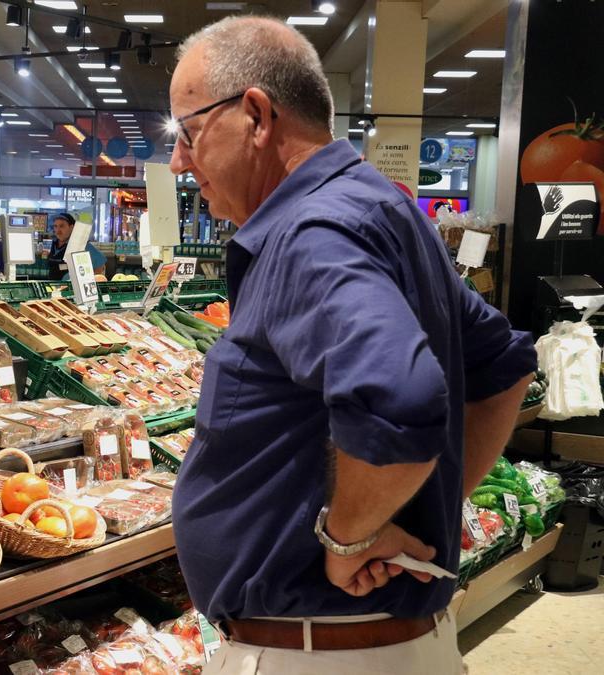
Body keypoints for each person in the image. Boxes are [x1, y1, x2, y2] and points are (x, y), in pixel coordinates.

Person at [167, 17, 535, 674]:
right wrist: (411, 504)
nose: (178, 160)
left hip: (318, 653)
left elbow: (399, 400)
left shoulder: (311, 232)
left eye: (188, 132)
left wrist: (349, 535)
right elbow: (503, 368)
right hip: (382, 645)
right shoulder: (377, 207)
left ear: (256, 116)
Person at [46, 212, 104, 280]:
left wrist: (91, 279)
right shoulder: (54, 243)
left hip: (68, 285)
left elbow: (99, 263)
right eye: (55, 226)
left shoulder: (79, 244)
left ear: (71, 227)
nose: (58, 231)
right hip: (51, 284)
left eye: (62, 226)